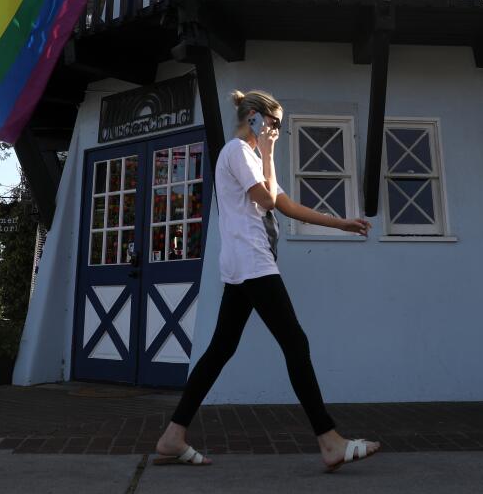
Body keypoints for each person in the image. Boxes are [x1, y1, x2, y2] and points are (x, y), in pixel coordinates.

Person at [154, 89, 381, 472]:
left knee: (221, 350)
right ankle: (329, 441)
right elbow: (270, 201)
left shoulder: (250, 157)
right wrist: (270, 152)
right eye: (274, 123)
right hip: (253, 263)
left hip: (244, 265)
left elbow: (286, 204)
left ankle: (173, 435)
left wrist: (341, 223)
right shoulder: (239, 153)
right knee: (295, 342)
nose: (276, 131)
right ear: (256, 118)